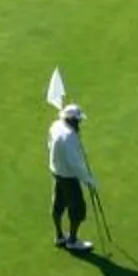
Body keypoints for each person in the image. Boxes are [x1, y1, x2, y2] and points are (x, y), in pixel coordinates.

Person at [47, 103, 96, 251]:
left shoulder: (55, 125)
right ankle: (72, 240)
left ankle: (59, 235)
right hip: (68, 176)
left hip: (56, 170)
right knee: (78, 208)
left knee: (58, 204)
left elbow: (49, 144)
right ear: (71, 120)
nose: (79, 123)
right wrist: (89, 180)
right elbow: (75, 165)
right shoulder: (70, 137)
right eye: (77, 121)